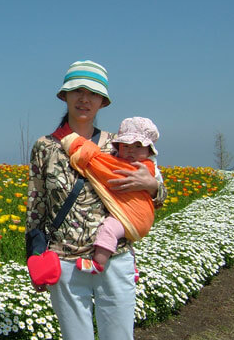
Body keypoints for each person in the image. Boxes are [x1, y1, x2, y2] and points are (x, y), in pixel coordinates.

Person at [26, 60, 166, 340]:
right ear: (64, 96)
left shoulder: (119, 144)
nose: (84, 99)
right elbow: (36, 204)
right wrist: (34, 257)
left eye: (92, 93)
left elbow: (155, 190)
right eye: (77, 91)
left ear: (103, 101)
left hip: (115, 261)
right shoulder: (45, 147)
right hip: (64, 263)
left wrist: (154, 185)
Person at [58, 116, 161, 274]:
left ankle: (98, 263)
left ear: (149, 150)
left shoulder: (144, 167)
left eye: (138, 146)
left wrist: (152, 186)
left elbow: (160, 195)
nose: (131, 150)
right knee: (120, 236)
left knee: (109, 229)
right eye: (125, 146)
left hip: (135, 217)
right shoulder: (112, 158)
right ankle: (133, 267)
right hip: (66, 250)